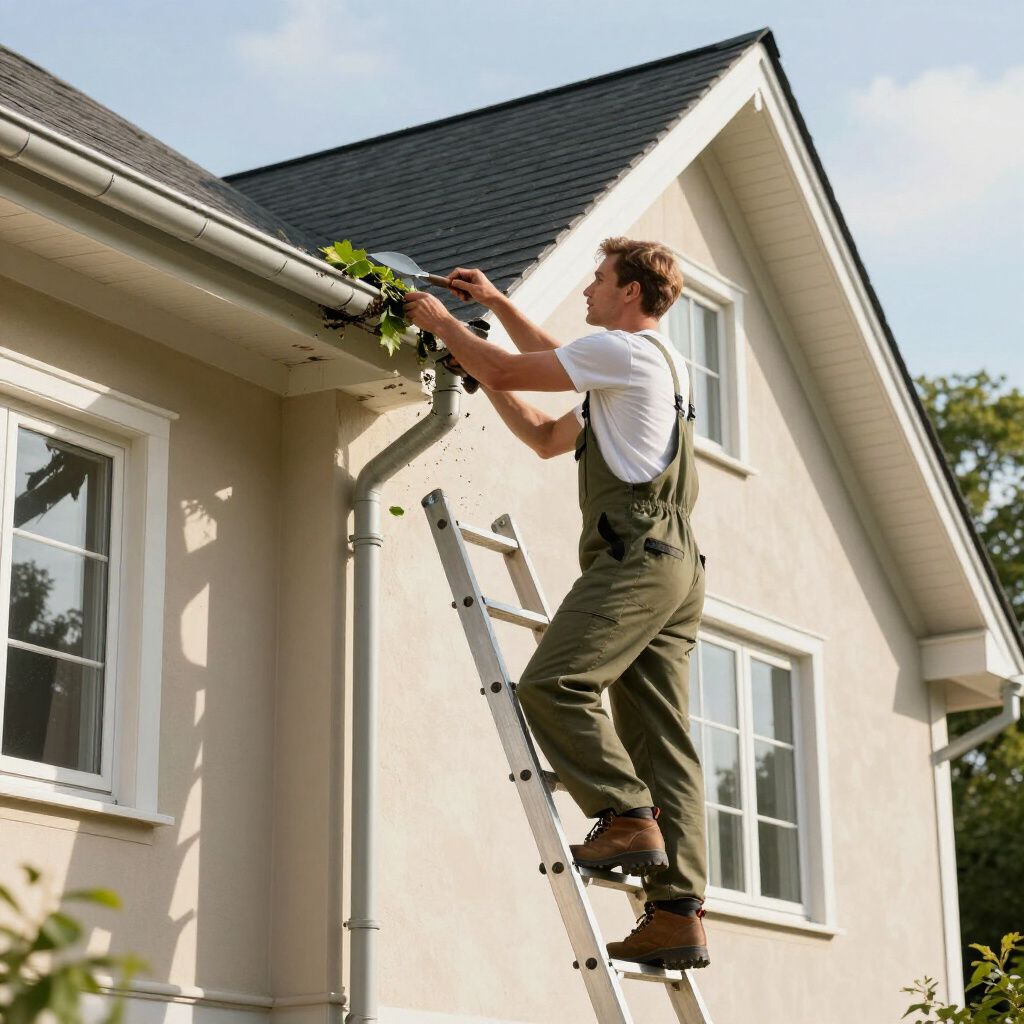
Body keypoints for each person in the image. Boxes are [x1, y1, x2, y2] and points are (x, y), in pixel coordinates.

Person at [404, 237, 709, 971]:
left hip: (636, 553)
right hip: (675, 564)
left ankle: (627, 817)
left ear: (630, 293)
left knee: (553, 684)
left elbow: (517, 364)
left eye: (599, 280)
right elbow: (544, 434)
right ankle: (677, 913)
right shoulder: (640, 371)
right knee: (659, 737)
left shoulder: (627, 353)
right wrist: (495, 312)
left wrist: (442, 323)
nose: (588, 291)